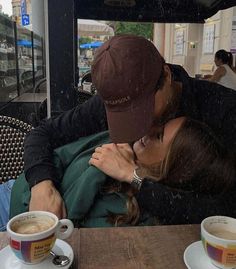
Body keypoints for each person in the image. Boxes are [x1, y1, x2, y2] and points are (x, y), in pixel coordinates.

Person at [23, 34, 236, 220]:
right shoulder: (115, 98)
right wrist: (41, 185)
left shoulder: (224, 111)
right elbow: (42, 133)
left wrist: (136, 178)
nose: (141, 129)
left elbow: (227, 211)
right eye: (125, 117)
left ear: (167, 75)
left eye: (142, 110)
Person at [2, 117, 235, 231]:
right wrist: (42, 185)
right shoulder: (117, 140)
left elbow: (64, 227)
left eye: (160, 136)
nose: (149, 130)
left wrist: (126, 174)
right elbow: (57, 152)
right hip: (16, 194)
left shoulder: (138, 210)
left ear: (173, 168)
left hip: (23, 230)